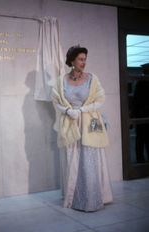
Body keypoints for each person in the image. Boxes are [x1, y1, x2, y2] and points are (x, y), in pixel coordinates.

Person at [52, 45, 113, 212]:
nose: (83, 62)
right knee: (73, 159)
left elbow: (100, 99)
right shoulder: (61, 80)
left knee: (90, 160)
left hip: (89, 122)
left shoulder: (92, 79)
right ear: (72, 60)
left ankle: (92, 199)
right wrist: (67, 110)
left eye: (85, 59)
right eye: (80, 59)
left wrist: (81, 110)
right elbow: (56, 100)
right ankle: (74, 197)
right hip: (70, 123)